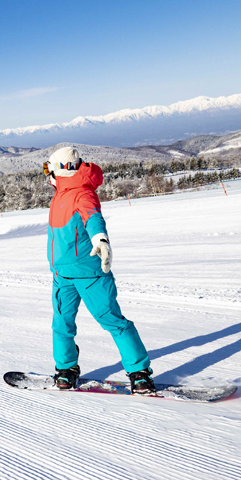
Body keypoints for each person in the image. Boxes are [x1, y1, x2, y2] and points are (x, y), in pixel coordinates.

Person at [44, 146, 155, 394]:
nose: (46, 174)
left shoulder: (82, 193)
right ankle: (65, 369)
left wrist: (100, 239)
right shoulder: (59, 195)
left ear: (62, 169)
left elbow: (93, 217)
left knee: (113, 321)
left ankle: (139, 373)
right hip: (62, 276)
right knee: (61, 324)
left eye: (48, 167)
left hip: (90, 274)